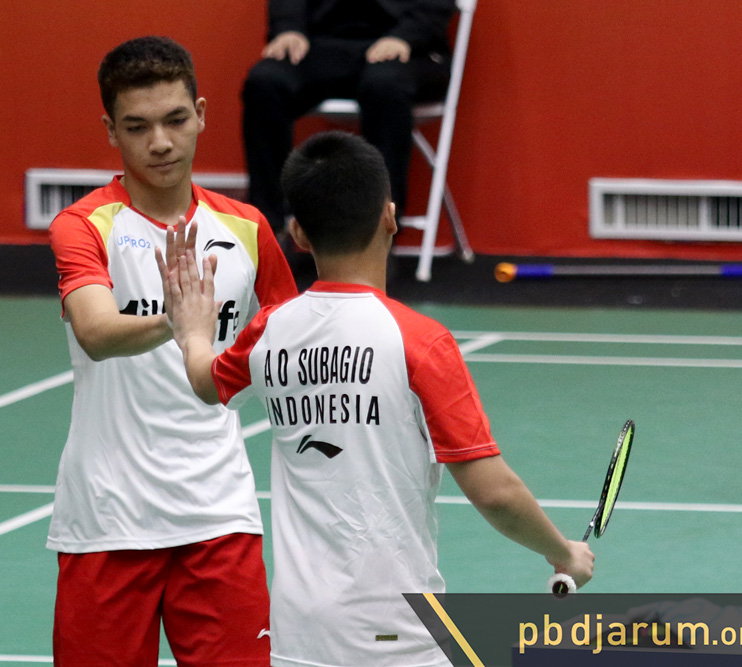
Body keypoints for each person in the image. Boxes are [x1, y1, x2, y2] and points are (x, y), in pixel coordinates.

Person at [159, 130, 595, 667]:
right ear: (390, 217)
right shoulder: (420, 342)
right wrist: (563, 552)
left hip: (299, 635)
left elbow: (207, 383)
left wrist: (192, 331)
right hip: (398, 637)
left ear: (298, 234)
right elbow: (494, 492)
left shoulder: (269, 330)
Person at [46, 35, 297, 667]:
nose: (160, 142)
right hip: (108, 518)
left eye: (175, 120)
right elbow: (95, 332)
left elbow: (290, 338)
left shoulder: (246, 228)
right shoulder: (85, 226)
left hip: (219, 516)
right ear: (111, 131)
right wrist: (177, 321)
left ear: (202, 114)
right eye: (137, 127)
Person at [242, 0, 455, 234]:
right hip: (320, 44)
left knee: (385, 86)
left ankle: (380, 233)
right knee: (265, 83)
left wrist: (405, 36)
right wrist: (288, 28)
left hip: (408, 48)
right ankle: (267, 228)